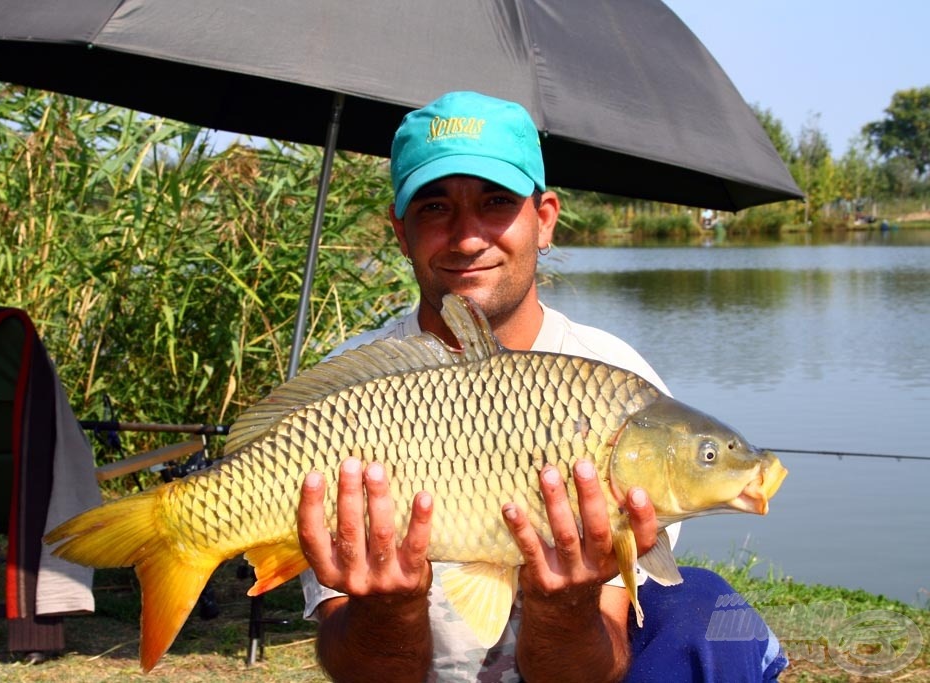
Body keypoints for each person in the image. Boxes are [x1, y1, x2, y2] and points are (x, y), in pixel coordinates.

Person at [295, 91, 787, 682]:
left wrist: (566, 605)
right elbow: (360, 672)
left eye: (496, 202)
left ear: (545, 217)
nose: (467, 237)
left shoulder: (617, 381)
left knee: (704, 607)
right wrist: (388, 609)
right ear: (400, 232)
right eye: (434, 208)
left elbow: (588, 669)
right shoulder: (339, 401)